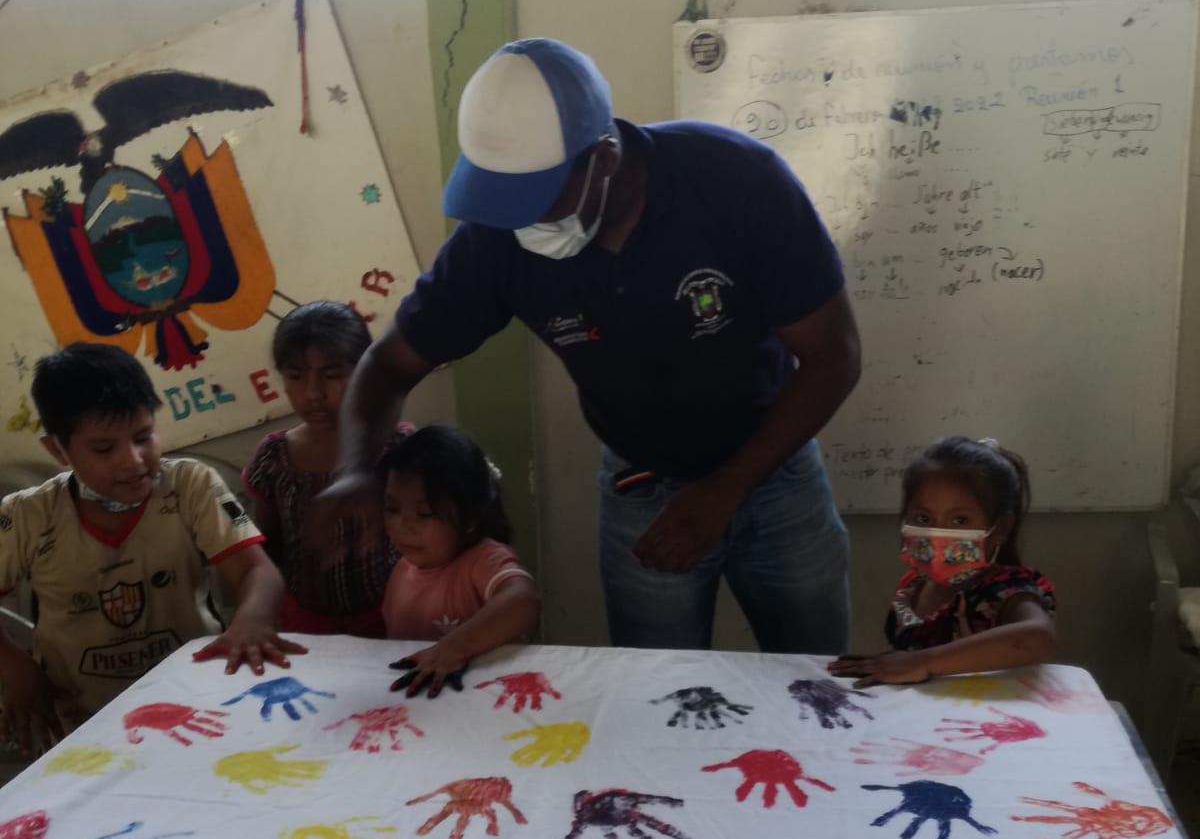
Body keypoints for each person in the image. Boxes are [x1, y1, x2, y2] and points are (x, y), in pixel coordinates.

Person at [317, 37, 860, 654]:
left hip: (776, 473)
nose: (521, 223)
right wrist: (355, 471)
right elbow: (389, 364)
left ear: (603, 157)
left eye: (537, 199)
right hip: (641, 484)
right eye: (504, 201)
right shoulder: (497, 236)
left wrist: (726, 488)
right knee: (652, 688)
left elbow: (834, 356)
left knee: (816, 682)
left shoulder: (734, 180)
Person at [0, 343, 302, 750]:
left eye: (143, 437)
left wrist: (252, 620)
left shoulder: (190, 485)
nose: (133, 459)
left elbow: (256, 570)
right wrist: (15, 667)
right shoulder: (26, 516)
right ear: (58, 449)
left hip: (198, 699)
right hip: (84, 722)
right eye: (104, 449)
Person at [829, 436, 1056, 687]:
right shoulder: (913, 588)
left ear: (1001, 528)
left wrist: (923, 662)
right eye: (923, 519)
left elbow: (1037, 638)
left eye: (959, 520)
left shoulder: (1005, 591)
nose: (936, 534)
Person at [243, 302, 402, 637]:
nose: (314, 394)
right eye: (296, 376)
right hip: (305, 629)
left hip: (393, 620)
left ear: (364, 372)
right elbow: (266, 551)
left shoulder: (398, 447)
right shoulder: (273, 458)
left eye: (332, 376)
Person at [380, 424, 538, 697]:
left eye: (424, 513)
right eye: (392, 509)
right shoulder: (401, 571)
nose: (402, 526)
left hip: (484, 702)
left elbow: (523, 599)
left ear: (469, 517)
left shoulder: (482, 559)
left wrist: (454, 647)